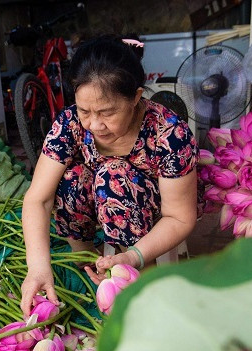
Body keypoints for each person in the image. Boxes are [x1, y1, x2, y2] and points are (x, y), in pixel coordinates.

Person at [20, 34, 199, 316]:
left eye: (107, 112)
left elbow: (179, 216)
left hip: (151, 216)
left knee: (114, 175)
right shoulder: (69, 124)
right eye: (84, 110)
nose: (94, 124)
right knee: (69, 179)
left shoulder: (169, 134)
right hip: (97, 203)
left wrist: (134, 256)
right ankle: (88, 265)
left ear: (136, 98)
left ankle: (138, 280)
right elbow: (38, 200)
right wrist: (37, 267)